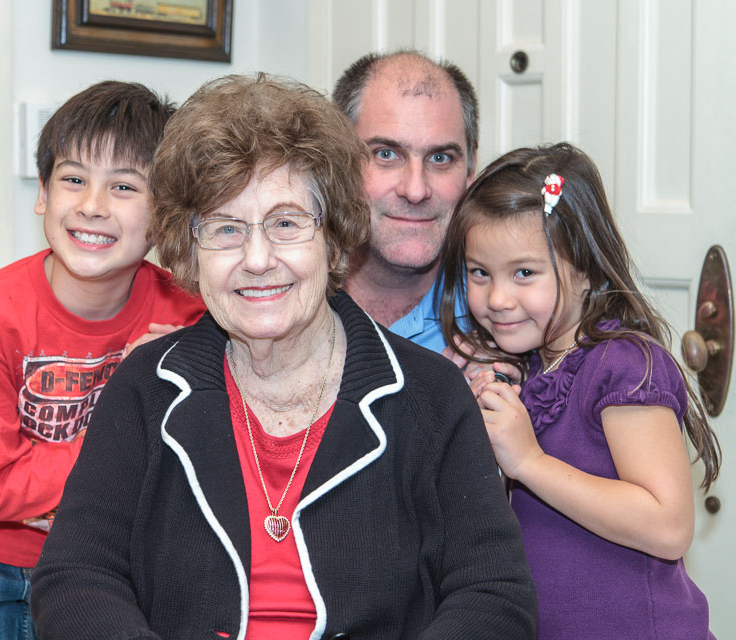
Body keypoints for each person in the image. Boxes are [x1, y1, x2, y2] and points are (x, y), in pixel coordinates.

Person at [30, 73, 536, 640]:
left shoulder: (431, 396)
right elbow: (75, 576)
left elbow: (493, 595)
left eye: (287, 224)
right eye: (225, 229)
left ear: (335, 237)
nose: (257, 259)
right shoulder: (146, 388)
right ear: (189, 250)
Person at [0, 80, 205, 639]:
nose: (92, 206)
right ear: (43, 192)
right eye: (73, 180)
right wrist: (131, 392)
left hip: (91, 546)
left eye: (124, 187)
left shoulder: (189, 317)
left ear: (164, 214)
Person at [438, 142, 721, 638]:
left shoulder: (623, 365)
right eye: (480, 272)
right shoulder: (528, 368)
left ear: (586, 270)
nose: (497, 298)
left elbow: (669, 526)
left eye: (524, 273)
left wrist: (529, 461)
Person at [333, 50, 477, 354]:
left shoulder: (509, 321)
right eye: (386, 154)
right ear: (337, 160)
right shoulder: (283, 305)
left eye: (440, 158)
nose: (415, 190)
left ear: (470, 169)